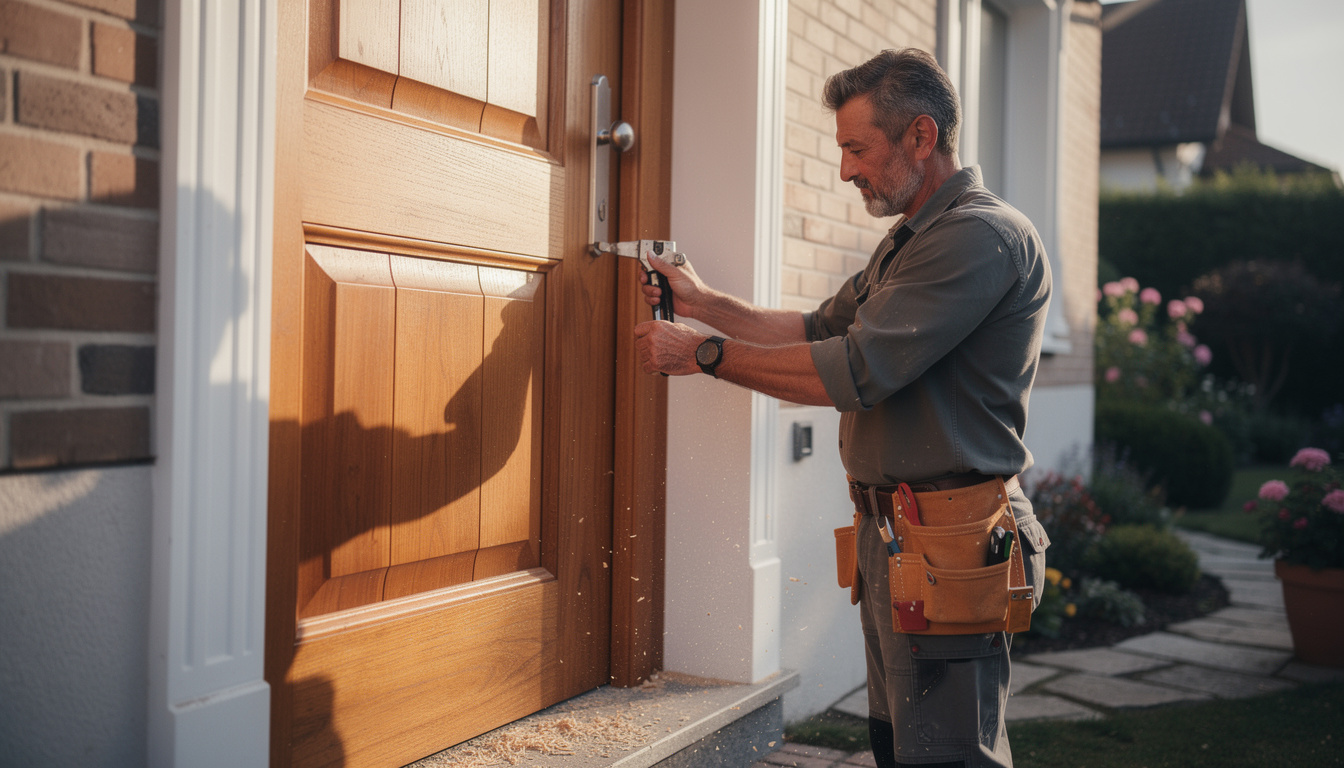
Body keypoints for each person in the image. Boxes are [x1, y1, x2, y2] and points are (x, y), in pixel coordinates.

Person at [632, 48, 1051, 768]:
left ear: (921, 136)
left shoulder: (979, 238)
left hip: (950, 538)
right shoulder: (912, 240)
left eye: (857, 148)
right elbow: (820, 329)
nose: (845, 169)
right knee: (899, 746)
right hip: (897, 535)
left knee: (948, 756)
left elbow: (855, 370)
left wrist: (701, 354)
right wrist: (704, 303)